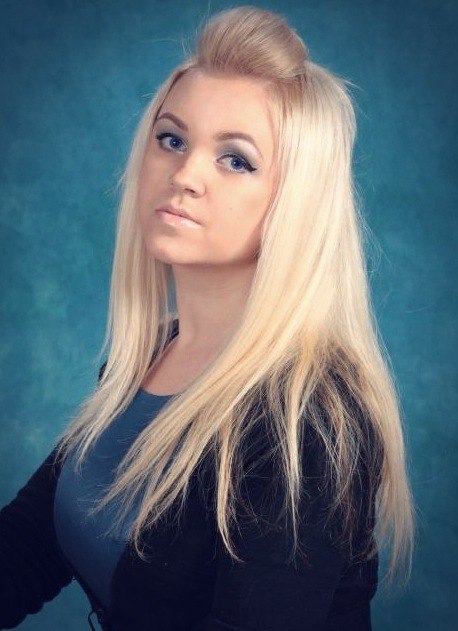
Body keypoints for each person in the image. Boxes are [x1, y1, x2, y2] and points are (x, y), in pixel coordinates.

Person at [0, 6, 414, 631]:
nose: (186, 175)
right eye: (172, 140)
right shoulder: (149, 353)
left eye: (236, 159)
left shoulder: (308, 419)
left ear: (294, 203)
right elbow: (26, 547)